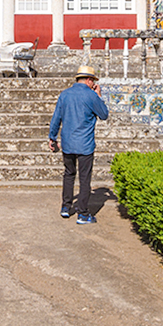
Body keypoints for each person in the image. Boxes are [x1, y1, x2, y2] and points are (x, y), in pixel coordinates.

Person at [48, 65, 110, 223]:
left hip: (67, 143)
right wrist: (99, 96)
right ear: (89, 80)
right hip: (84, 144)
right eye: (93, 81)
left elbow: (56, 118)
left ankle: (66, 207)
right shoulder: (91, 95)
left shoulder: (65, 94)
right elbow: (104, 115)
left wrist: (52, 137)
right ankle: (82, 213)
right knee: (84, 179)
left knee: (68, 175)